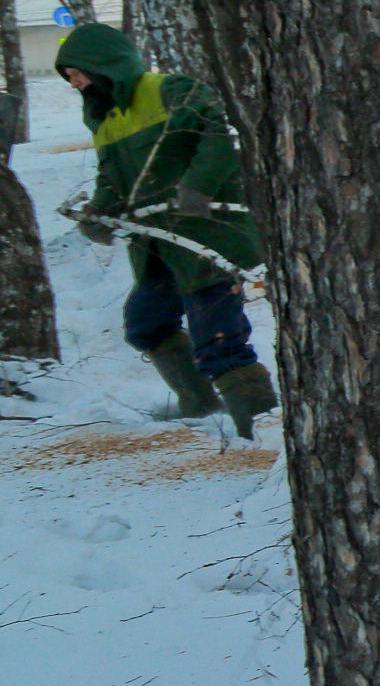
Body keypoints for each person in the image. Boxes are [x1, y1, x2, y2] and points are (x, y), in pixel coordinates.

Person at [57, 23, 278, 437]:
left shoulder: (170, 90)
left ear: (103, 63)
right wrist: (99, 212)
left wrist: (197, 187)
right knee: (146, 323)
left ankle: (263, 428)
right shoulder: (103, 117)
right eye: (70, 78)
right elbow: (112, 176)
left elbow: (217, 135)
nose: (75, 83)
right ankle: (202, 408)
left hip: (206, 238)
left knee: (218, 338)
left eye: (77, 73)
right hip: (156, 245)